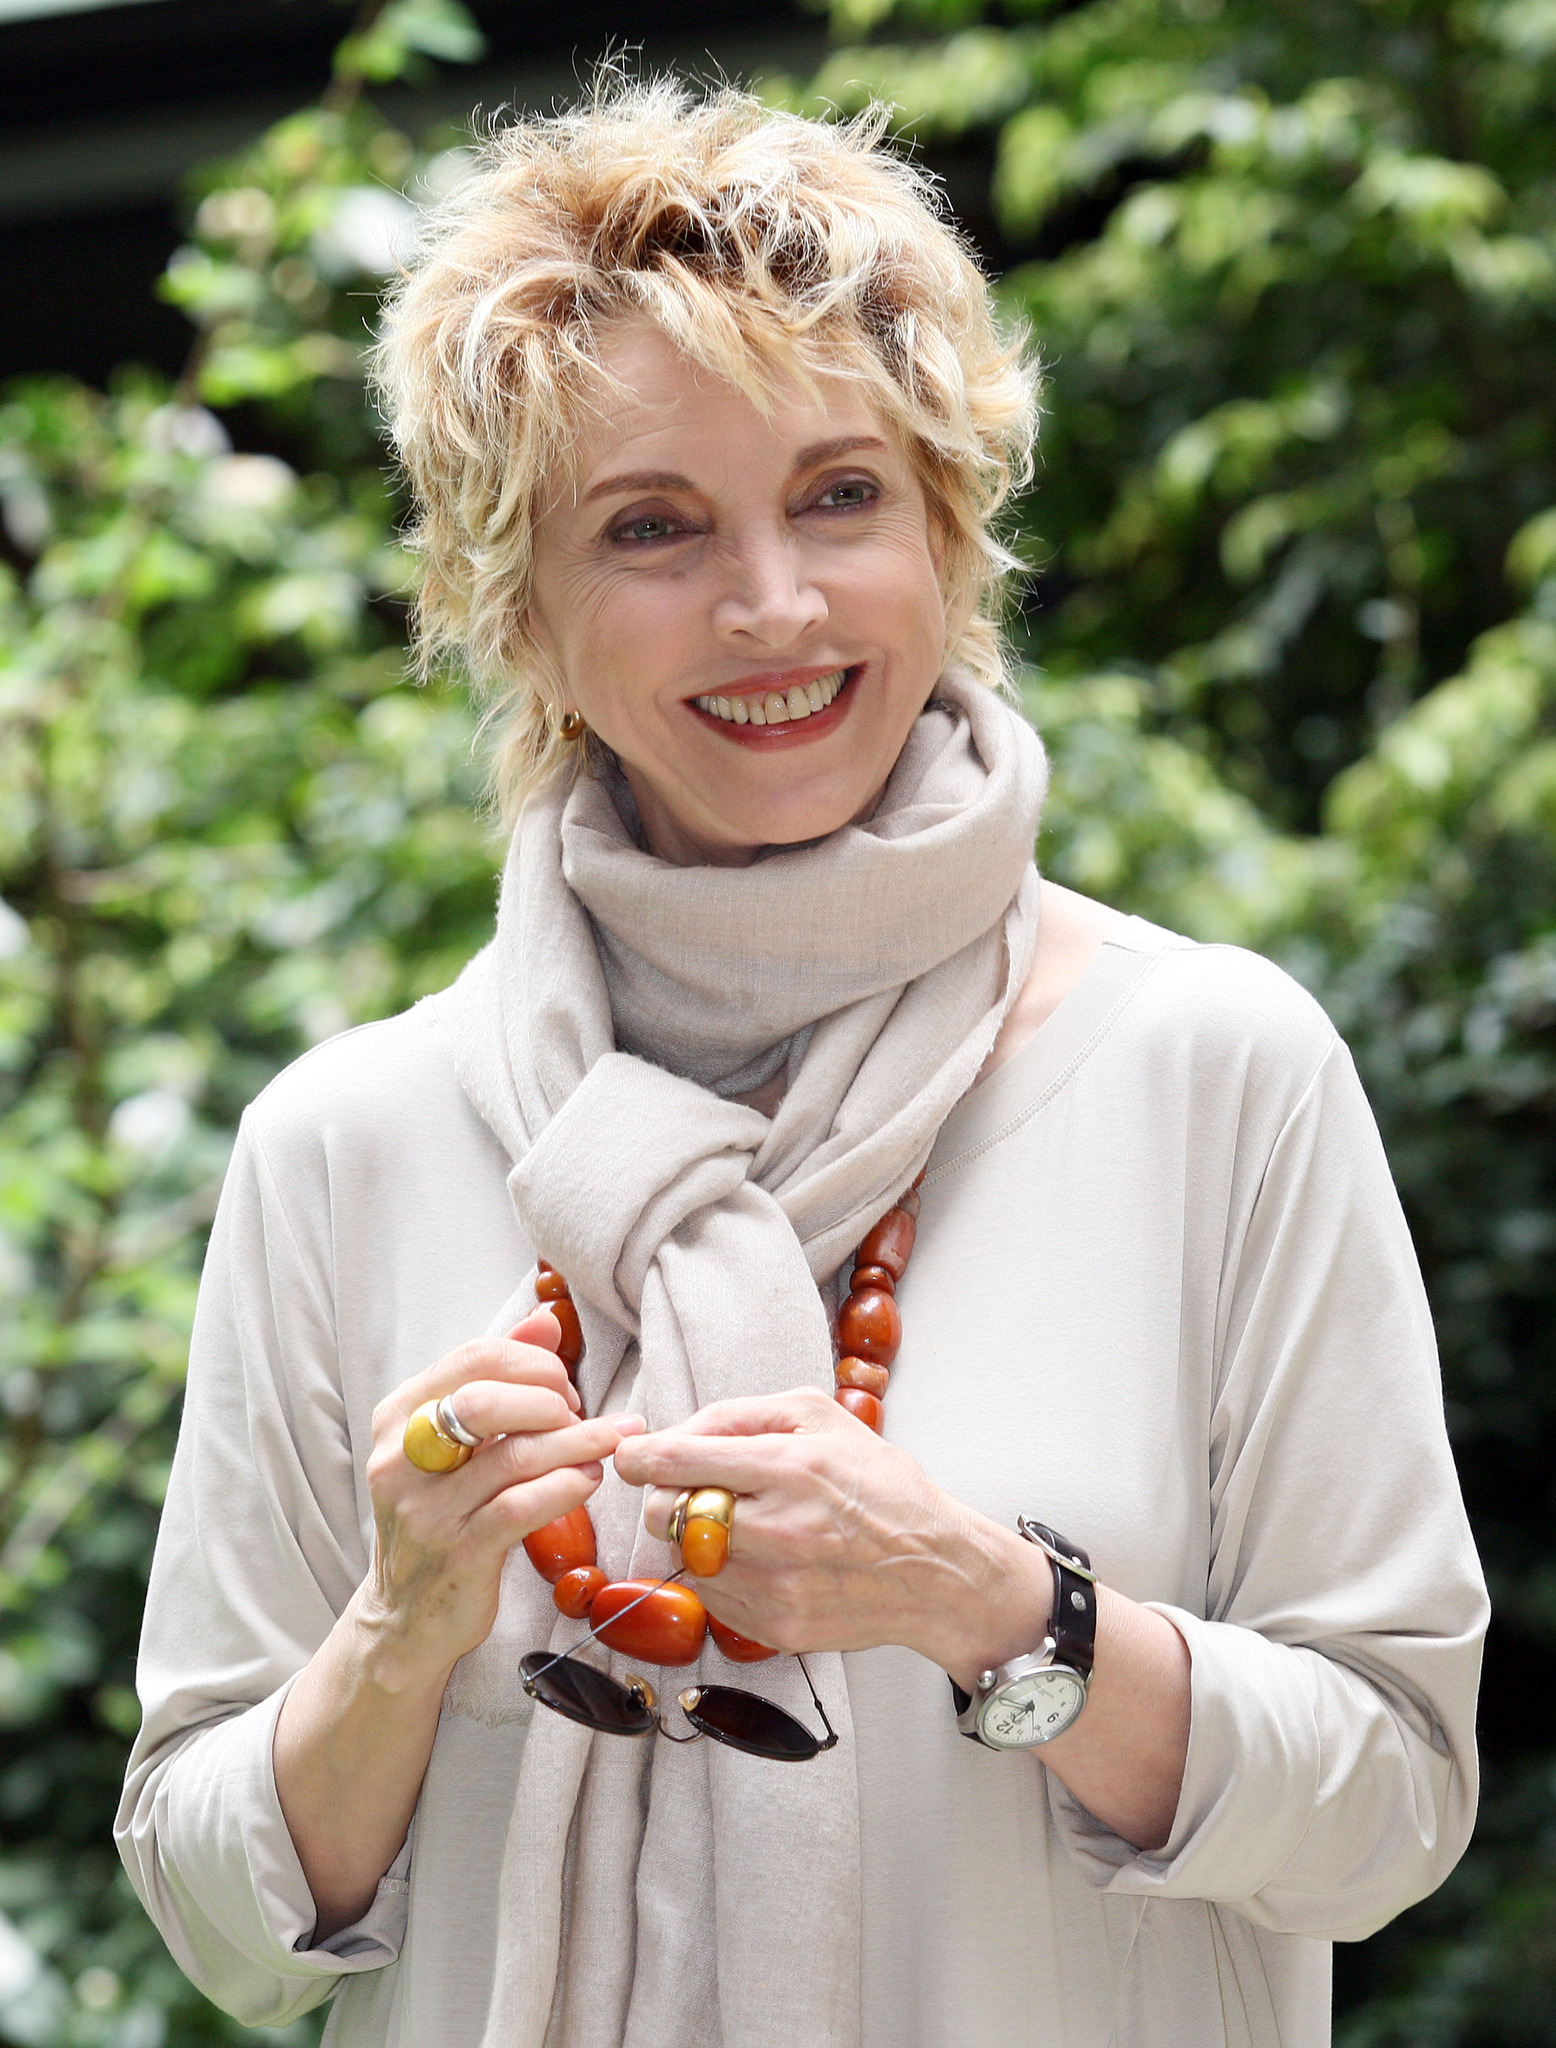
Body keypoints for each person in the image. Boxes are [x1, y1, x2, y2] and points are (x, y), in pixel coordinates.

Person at [116, 79, 1487, 2048]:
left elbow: (1390, 1810)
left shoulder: (1212, 1069)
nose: (771, 604)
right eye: (651, 528)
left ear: (948, 528)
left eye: (841, 496)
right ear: (519, 611)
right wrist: (403, 1625)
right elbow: (218, 1922)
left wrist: (992, 1606)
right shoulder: (348, 1142)